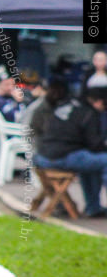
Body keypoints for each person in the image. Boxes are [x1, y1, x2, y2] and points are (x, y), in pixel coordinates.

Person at [34, 88, 107, 217]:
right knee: (103, 160)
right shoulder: (89, 113)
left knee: (90, 163)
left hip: (41, 156)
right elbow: (94, 144)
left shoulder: (64, 106)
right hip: (61, 157)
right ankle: (93, 207)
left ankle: (93, 207)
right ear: (100, 102)